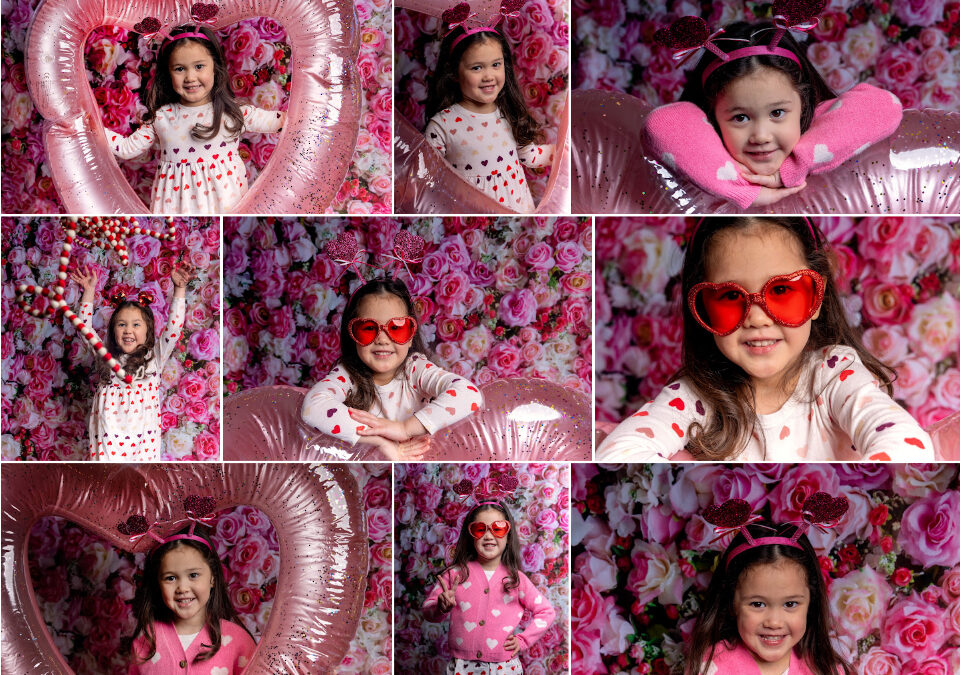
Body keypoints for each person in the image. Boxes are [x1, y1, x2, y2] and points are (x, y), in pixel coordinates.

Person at [596, 217, 934, 461]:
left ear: (816, 298)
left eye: (782, 290)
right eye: (729, 296)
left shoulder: (834, 374)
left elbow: (905, 444)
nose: (757, 318)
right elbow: (619, 452)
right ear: (703, 311)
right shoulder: (695, 395)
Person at [644, 17, 902, 208]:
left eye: (777, 113)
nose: (761, 135)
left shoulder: (821, 127)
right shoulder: (703, 146)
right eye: (740, 118)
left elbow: (885, 105)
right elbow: (661, 122)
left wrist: (790, 169)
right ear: (712, 114)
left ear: (803, 101)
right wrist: (743, 191)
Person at [108, 24, 285, 213]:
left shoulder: (234, 113)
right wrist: (87, 126)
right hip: (178, 210)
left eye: (199, 66)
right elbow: (127, 148)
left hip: (226, 208)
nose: (190, 77)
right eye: (179, 69)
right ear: (168, 73)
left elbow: (284, 123)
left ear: (215, 68)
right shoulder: (162, 117)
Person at [301, 279, 483, 461]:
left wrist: (404, 429)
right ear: (353, 335)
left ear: (411, 336)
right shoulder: (348, 375)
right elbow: (312, 407)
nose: (382, 339)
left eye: (396, 328)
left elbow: (469, 394)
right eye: (368, 328)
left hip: (414, 470)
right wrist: (381, 442)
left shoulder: (415, 370)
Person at [687, 496, 851, 674]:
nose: (774, 622)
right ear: (732, 603)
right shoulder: (711, 667)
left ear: (810, 603)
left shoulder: (824, 669)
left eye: (790, 604)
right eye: (757, 604)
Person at [424, 1, 553, 213]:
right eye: (476, 67)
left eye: (496, 64)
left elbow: (528, 155)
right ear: (455, 73)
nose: (489, 76)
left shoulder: (508, 112)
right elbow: (428, 179)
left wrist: (560, 154)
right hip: (473, 214)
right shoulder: (442, 125)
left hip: (519, 211)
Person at [71, 262, 194, 461]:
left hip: (142, 450)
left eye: (136, 325)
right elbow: (84, 328)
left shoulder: (154, 359)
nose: (128, 330)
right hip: (107, 445)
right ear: (113, 331)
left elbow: (173, 329)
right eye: (122, 324)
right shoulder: (105, 356)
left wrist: (179, 289)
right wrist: (89, 291)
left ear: (148, 332)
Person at [422, 501, 555, 674]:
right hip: (463, 667)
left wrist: (523, 640)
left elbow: (547, 612)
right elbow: (427, 611)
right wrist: (440, 606)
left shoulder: (516, 580)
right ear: (471, 536)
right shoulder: (454, 575)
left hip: (503, 667)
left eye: (498, 529)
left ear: (508, 536)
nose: (489, 536)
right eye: (480, 529)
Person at [127, 528, 256, 673]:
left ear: (212, 577)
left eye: (193, 575)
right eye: (171, 578)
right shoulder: (146, 640)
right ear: (158, 583)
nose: (182, 588)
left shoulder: (239, 642)